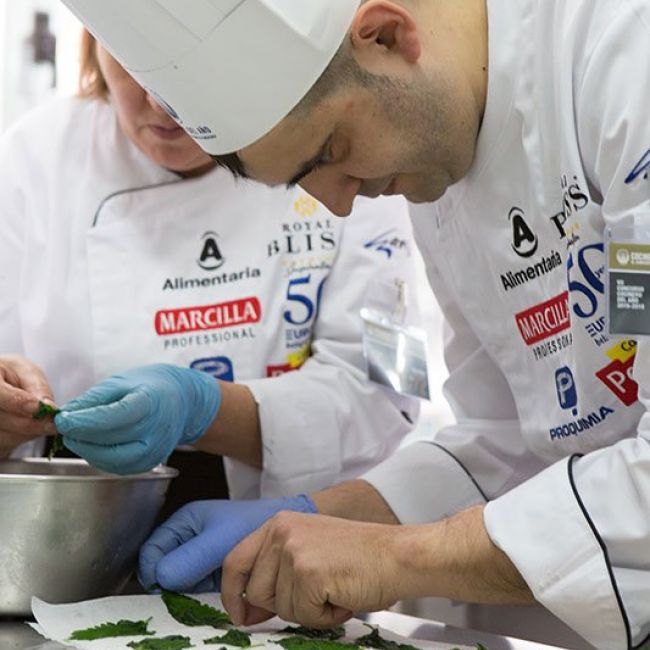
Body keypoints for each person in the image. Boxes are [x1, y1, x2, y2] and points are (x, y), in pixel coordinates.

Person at [58, 1, 650, 649]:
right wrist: (324, 513)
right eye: (306, 181)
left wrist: (399, 556)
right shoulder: (431, 170)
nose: (341, 205)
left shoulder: (621, 57)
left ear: (388, 35)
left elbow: (388, 393)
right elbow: (507, 435)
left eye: (331, 151)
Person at [0, 28, 422, 511]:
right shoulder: (30, 164)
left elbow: (393, 397)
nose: (161, 107)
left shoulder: (344, 145)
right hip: (77, 540)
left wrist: (206, 410)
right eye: (134, 61)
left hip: (305, 537)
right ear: (95, 41)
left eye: (188, 65)